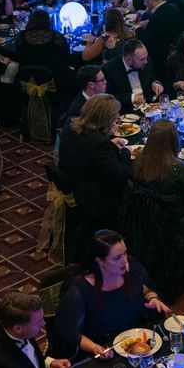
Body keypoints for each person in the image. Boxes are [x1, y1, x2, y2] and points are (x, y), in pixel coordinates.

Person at [122, 119, 184, 297]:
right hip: (172, 225)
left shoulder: (138, 161)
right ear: (174, 141)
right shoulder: (177, 169)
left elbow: (131, 185)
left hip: (142, 223)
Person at [55, 230, 171, 358]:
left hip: (140, 342)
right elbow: (68, 330)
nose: (124, 260)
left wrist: (153, 298)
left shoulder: (132, 267)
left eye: (125, 253)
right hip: (106, 350)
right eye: (116, 258)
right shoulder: (80, 290)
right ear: (99, 260)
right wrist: (94, 347)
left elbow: (147, 290)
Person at [57, 94, 131, 264]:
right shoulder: (98, 143)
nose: (118, 120)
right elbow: (120, 177)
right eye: (115, 118)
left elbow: (90, 155)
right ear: (105, 119)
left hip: (77, 183)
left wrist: (110, 145)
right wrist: (124, 152)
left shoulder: (71, 126)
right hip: (96, 198)